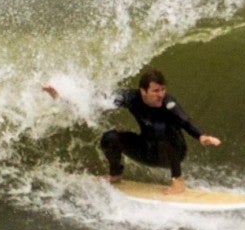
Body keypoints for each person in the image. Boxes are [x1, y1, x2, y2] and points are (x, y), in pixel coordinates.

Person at [42, 69, 221, 194]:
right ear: (143, 91)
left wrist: (201, 136)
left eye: (163, 89)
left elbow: (185, 120)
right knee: (110, 137)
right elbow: (96, 102)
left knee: (163, 128)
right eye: (156, 91)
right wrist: (61, 97)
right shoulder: (131, 98)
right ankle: (115, 175)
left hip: (173, 153)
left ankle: (178, 180)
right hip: (147, 151)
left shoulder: (168, 103)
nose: (161, 94)